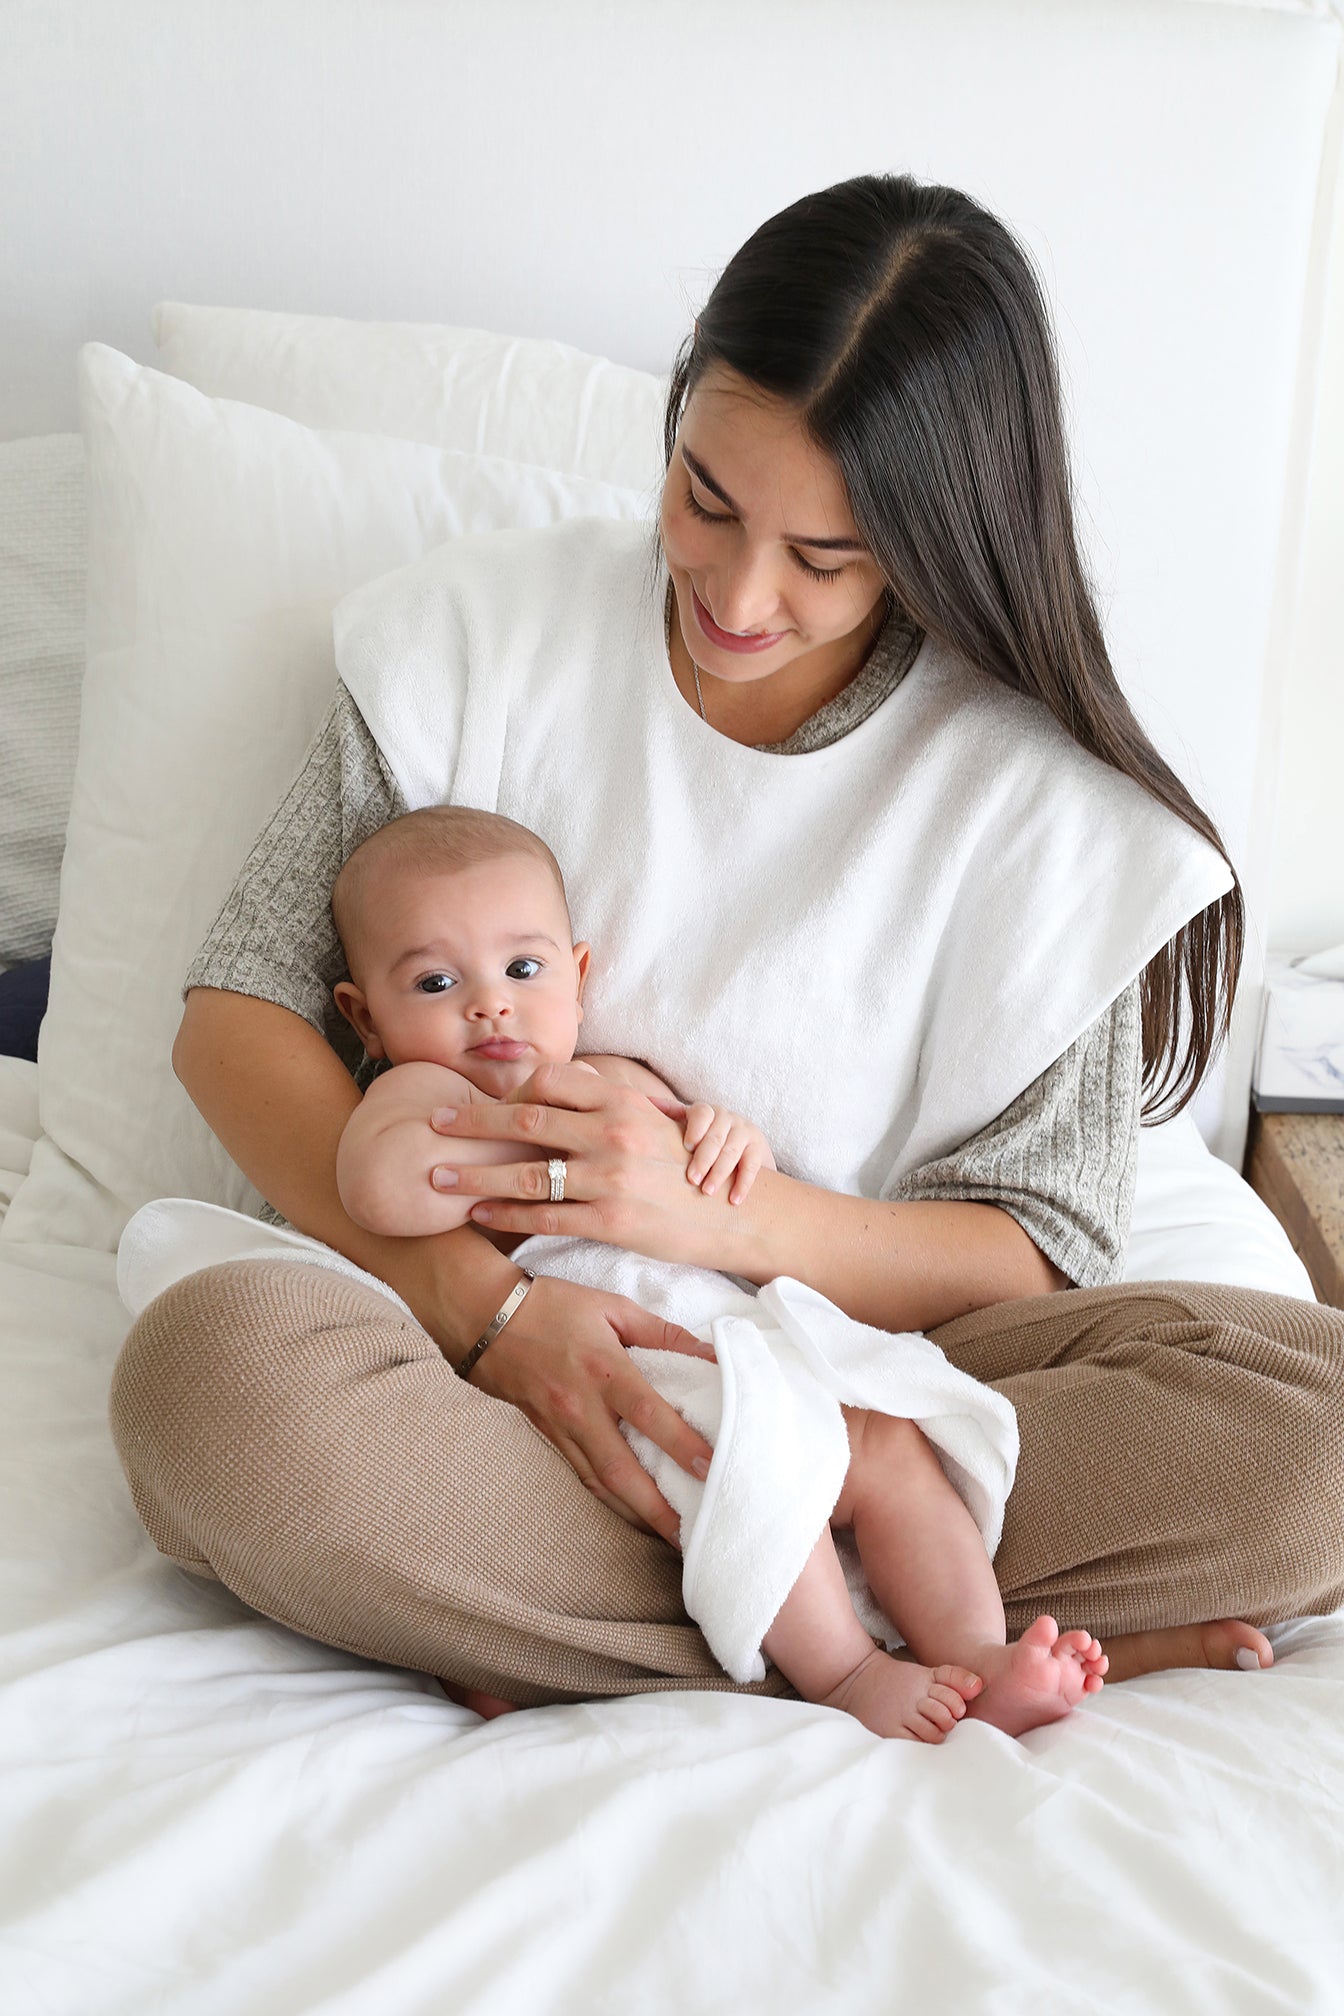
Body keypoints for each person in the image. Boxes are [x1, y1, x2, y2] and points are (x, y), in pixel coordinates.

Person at [110, 173, 1344, 1720]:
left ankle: (640, 1607)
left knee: (1318, 1430)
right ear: (683, 396)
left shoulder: (1033, 804)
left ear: (936, 543)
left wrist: (719, 1217)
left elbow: (1032, 1251)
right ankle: (874, 1632)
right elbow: (235, 1021)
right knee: (213, 1386)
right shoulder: (479, 641)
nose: (738, 596)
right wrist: (491, 1317)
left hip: (856, 1391)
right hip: (490, 1370)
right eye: (705, 497)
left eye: (823, 557)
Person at [325, 802, 1108, 1739]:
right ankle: (850, 1673)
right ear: (365, 1018)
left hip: (748, 1338)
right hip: (628, 1379)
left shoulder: (619, 1077)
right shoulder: (422, 1096)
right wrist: (545, 1150)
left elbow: (724, 1177)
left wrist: (724, 1137)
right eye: (436, 981)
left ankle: (974, 1649)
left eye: (522, 969)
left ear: (577, 979)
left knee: (895, 1444)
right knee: (755, 1471)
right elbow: (376, 1188)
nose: (488, 1004)